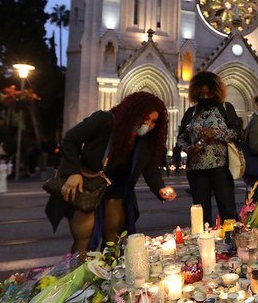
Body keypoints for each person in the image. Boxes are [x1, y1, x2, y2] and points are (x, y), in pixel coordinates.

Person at [46, 92, 177, 252]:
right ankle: (78, 275)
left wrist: (160, 188)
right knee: (84, 240)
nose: (148, 124)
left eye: (153, 121)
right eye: (145, 119)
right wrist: (73, 172)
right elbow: (71, 139)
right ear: (133, 112)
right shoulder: (105, 120)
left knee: (114, 240)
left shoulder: (146, 141)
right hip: (89, 186)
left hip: (118, 191)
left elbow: (150, 170)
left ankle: (108, 275)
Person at [178, 71, 241, 224]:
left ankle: (230, 242)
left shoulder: (225, 108)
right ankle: (203, 243)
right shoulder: (191, 112)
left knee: (227, 210)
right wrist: (187, 148)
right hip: (197, 170)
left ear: (216, 92)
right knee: (201, 214)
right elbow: (181, 137)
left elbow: (236, 133)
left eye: (208, 94)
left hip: (221, 168)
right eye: (201, 94)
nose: (205, 97)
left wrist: (216, 133)